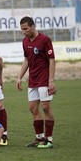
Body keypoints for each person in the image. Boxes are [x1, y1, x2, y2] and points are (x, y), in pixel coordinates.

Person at [16, 16, 56, 149]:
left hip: (44, 79)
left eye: (26, 28)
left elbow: (51, 60)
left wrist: (51, 81)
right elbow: (26, 60)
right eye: (22, 29)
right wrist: (19, 77)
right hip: (32, 80)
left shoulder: (45, 40)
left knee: (45, 107)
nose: (24, 31)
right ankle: (39, 138)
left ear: (33, 26)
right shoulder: (25, 41)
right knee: (33, 108)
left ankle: (49, 140)